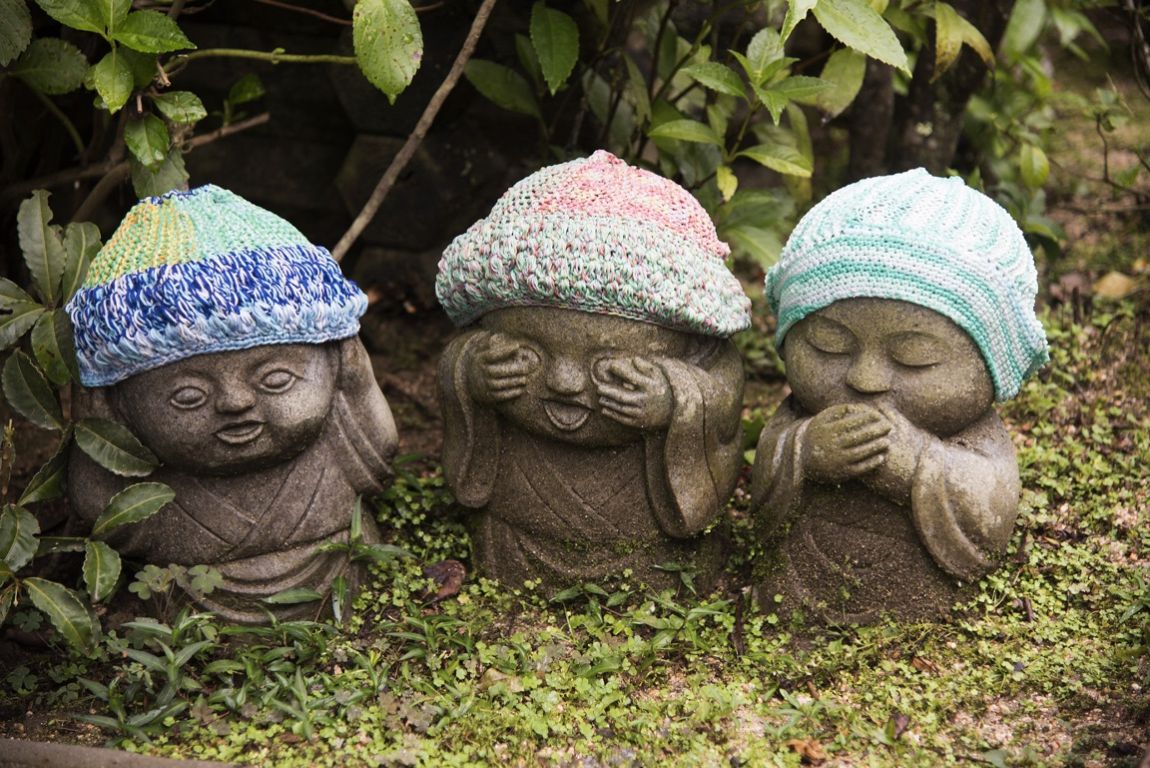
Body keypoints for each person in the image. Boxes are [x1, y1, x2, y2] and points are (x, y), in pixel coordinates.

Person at [66, 185, 397, 624]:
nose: (236, 402)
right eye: (189, 396)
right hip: (185, 599)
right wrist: (92, 422)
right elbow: (101, 509)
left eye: (276, 379)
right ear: (115, 405)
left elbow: (379, 450)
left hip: (337, 566)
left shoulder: (336, 435)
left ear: (339, 363)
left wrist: (359, 382)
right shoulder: (145, 489)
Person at [436, 150, 751, 593]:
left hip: (651, 545)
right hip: (514, 531)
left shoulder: (704, 359)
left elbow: (720, 384)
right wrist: (470, 372)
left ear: (689, 347)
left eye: (606, 362)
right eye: (533, 351)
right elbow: (458, 357)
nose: (564, 383)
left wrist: (675, 400)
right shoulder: (484, 351)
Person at [751, 169, 1049, 624]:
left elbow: (992, 507)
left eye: (914, 357)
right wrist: (802, 452)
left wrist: (916, 464)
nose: (866, 379)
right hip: (798, 579)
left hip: (922, 593)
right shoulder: (799, 414)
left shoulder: (975, 433)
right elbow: (764, 487)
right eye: (831, 345)